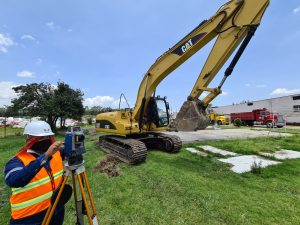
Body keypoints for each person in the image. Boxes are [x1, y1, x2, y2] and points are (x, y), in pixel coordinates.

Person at [4, 121, 65, 225]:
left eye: (47, 137)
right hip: (28, 217)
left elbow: (70, 150)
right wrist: (45, 156)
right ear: (28, 139)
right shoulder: (16, 161)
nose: (45, 141)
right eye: (40, 138)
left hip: (55, 209)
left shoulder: (56, 153)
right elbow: (14, 180)